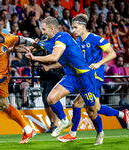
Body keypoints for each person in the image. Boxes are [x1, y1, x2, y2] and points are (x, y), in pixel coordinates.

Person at [24, 16, 104, 145]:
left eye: (44, 29)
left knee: (92, 111)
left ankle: (100, 132)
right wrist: (9, 49)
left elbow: (55, 57)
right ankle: (64, 121)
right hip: (71, 77)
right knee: (51, 99)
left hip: (85, 77)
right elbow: (34, 47)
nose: (42, 32)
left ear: (52, 28)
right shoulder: (48, 40)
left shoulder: (63, 37)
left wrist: (35, 58)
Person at [57, 14, 129, 143]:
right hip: (84, 78)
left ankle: (73, 133)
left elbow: (112, 53)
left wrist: (98, 63)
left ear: (83, 27)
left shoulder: (95, 39)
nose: (73, 30)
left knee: (77, 103)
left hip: (95, 77)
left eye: (75, 27)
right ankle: (122, 114)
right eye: (72, 27)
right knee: (95, 109)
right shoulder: (77, 42)